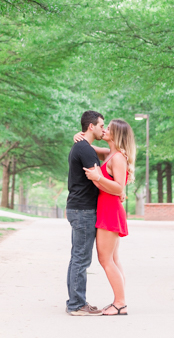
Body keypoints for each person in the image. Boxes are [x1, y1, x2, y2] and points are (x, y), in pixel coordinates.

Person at [75, 118, 136, 316]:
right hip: (107, 209)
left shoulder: (117, 157)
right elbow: (87, 145)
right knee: (114, 259)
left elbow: (119, 187)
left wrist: (98, 178)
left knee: (105, 260)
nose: (105, 130)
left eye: (109, 128)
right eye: (105, 126)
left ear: (117, 134)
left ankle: (120, 304)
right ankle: (120, 300)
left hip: (110, 211)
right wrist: (77, 135)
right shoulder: (110, 153)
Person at [65, 110, 106, 316]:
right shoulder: (85, 149)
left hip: (77, 207)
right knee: (81, 258)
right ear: (91, 126)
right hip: (83, 210)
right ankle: (76, 305)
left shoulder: (81, 146)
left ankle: (75, 301)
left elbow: (105, 152)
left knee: (77, 258)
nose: (103, 130)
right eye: (101, 126)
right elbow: (98, 180)